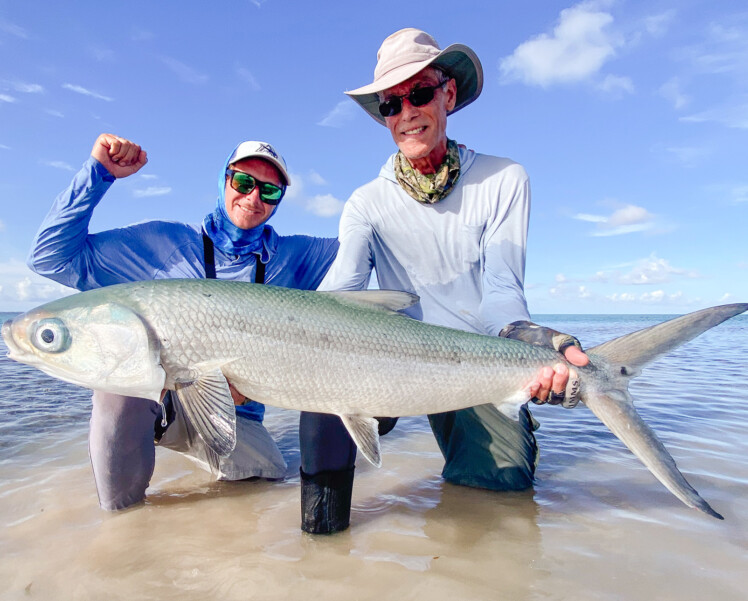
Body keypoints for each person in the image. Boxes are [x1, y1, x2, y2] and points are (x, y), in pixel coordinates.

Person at [298, 28, 589, 534]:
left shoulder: (504, 179)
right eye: (392, 103)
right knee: (320, 398)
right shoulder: (366, 202)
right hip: (387, 366)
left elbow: (502, 293)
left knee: (501, 496)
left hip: (472, 364)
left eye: (420, 93)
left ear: (448, 94)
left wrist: (545, 342)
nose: (408, 112)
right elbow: (338, 295)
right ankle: (321, 549)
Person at [28, 133, 338, 510]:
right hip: (167, 399)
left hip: (236, 415)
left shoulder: (295, 256)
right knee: (118, 386)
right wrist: (98, 174)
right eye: (243, 182)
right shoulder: (164, 243)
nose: (254, 198)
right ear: (225, 180)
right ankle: (124, 518)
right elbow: (50, 258)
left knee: (266, 481)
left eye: (269, 192)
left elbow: (370, 243)